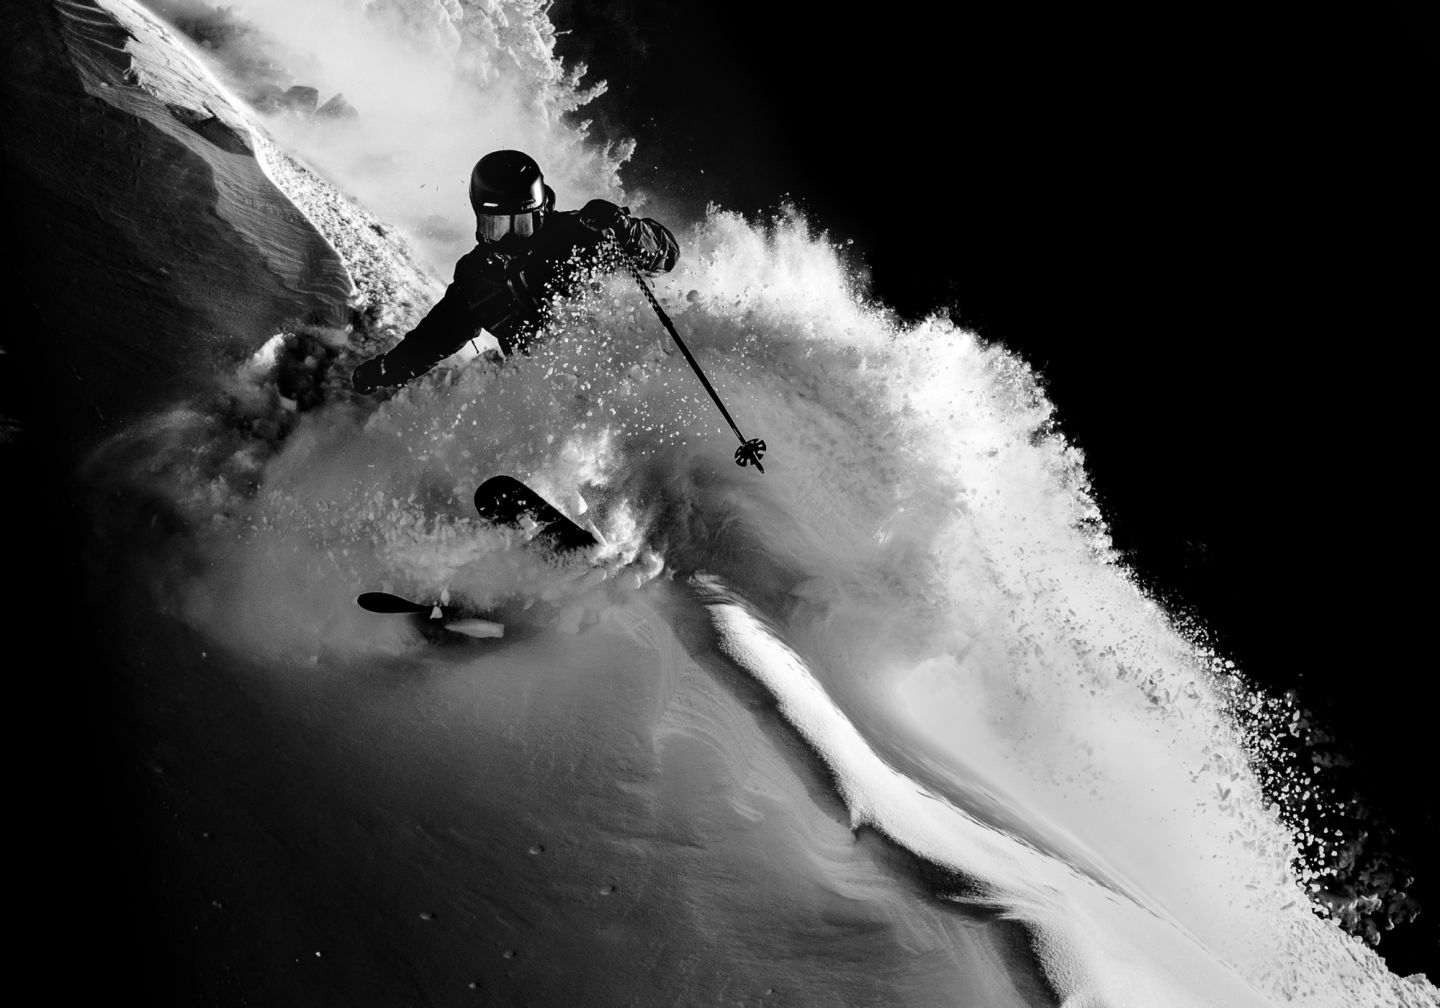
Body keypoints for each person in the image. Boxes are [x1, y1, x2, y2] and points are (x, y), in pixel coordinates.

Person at [352, 150, 679, 393]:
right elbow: (435, 337)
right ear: (479, 221)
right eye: (495, 226)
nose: (508, 239)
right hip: (548, 395)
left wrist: (627, 231)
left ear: (540, 215)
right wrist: (384, 370)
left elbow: (665, 256)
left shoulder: (578, 235)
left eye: (521, 225)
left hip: (623, 373)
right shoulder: (476, 279)